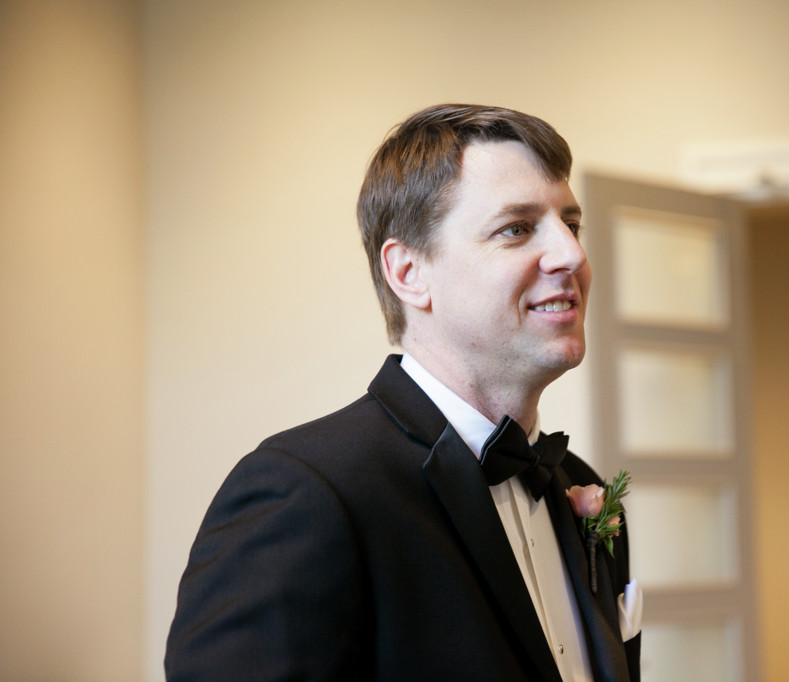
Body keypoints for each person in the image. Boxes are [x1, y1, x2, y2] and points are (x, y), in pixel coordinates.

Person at [165, 104, 642, 681]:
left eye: (571, 224)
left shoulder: (578, 482)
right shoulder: (306, 494)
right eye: (517, 228)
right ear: (409, 272)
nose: (572, 255)